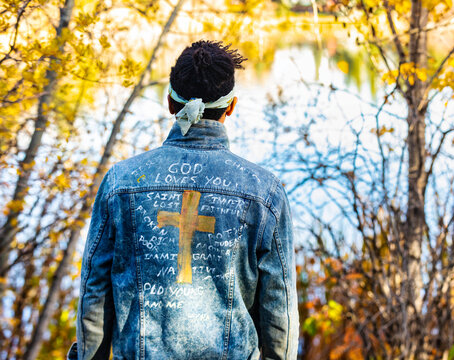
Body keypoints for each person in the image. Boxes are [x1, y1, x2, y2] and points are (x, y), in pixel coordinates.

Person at [67, 40, 299, 359]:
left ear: (170, 104)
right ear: (231, 106)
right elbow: (279, 311)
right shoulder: (265, 191)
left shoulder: (121, 181)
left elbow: (94, 294)